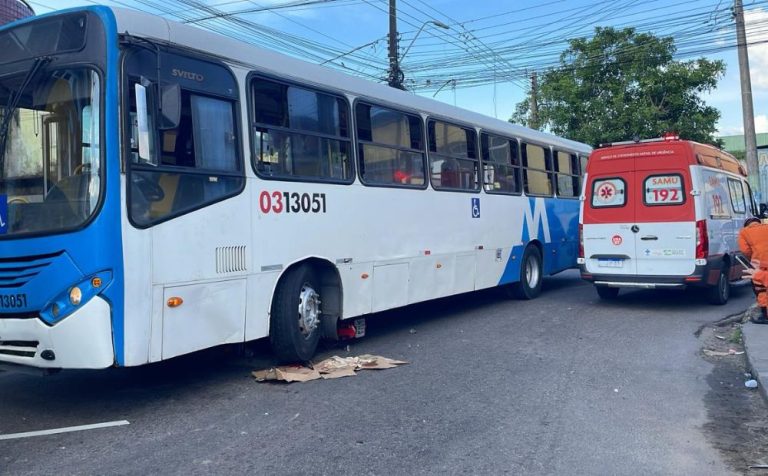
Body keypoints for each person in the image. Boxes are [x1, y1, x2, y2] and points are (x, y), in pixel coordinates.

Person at [739, 217, 768, 323]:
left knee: (761, 290)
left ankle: (765, 315)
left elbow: (745, 250)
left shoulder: (744, 232)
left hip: (760, 264)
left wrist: (753, 257)